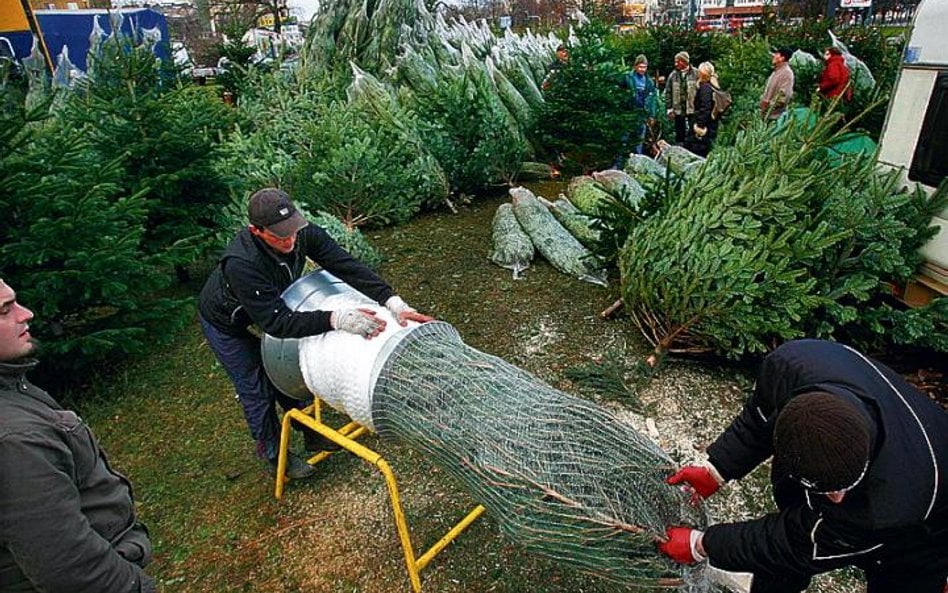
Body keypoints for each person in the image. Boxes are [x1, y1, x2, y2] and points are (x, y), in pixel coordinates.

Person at [657, 339, 948, 593]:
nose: (837, 499)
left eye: (843, 487)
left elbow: (795, 543)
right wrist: (717, 469)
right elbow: (761, 418)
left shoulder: (886, 508)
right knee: (777, 563)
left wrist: (701, 545)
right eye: (827, 489)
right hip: (875, 472)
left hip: (924, 531)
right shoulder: (793, 365)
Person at [198, 188, 432, 480]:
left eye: (292, 231)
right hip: (227, 322)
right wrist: (336, 318)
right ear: (256, 231)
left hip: (269, 305)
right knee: (256, 387)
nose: (290, 240)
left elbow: (345, 265)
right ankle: (274, 455)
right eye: (280, 236)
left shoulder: (300, 233)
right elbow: (277, 323)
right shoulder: (242, 263)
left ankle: (310, 432)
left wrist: (393, 302)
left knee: (286, 373)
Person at [0, 279, 156, 592]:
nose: (26, 313)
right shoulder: (14, 438)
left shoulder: (13, 388)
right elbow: (73, 572)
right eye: (5, 310)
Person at [617, 54, 659, 162]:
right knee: (624, 139)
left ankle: (637, 164)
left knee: (639, 140)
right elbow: (619, 93)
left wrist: (652, 115)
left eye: (644, 67)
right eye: (640, 67)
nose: (642, 69)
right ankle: (619, 163)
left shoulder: (649, 82)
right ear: (635, 66)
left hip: (642, 114)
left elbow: (652, 99)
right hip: (629, 113)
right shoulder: (627, 77)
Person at [683, 61, 719, 157]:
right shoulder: (714, 87)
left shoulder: (705, 88)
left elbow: (705, 108)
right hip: (711, 124)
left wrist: (699, 125)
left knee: (694, 153)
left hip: (702, 127)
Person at [664, 51, 698, 143]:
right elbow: (668, 93)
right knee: (679, 134)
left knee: (693, 132)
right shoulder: (673, 75)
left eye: (678, 61)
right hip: (678, 109)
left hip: (692, 109)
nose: (676, 64)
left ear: (685, 61)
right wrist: (669, 108)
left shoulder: (696, 73)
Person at [760, 47, 795, 120]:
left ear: (782, 58)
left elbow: (785, 96)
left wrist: (769, 105)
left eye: (776, 54)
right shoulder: (776, 71)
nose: (773, 56)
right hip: (766, 114)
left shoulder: (787, 74)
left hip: (774, 117)